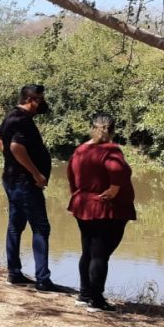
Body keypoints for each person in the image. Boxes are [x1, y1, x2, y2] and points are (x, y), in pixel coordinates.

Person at [0, 84, 65, 292]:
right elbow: (16, 147)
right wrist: (36, 174)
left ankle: (14, 274)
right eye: (40, 99)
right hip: (25, 182)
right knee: (41, 228)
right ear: (32, 99)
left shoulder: (12, 116)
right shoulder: (21, 119)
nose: (43, 103)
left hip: (12, 179)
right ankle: (43, 280)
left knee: (15, 226)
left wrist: (7, 154)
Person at [66, 113, 136, 313]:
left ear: (92, 128)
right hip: (105, 209)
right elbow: (118, 171)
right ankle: (96, 301)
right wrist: (114, 190)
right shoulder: (111, 150)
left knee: (89, 252)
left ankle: (84, 294)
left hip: (84, 205)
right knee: (100, 254)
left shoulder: (80, 150)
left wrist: (78, 195)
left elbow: (70, 175)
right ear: (112, 130)